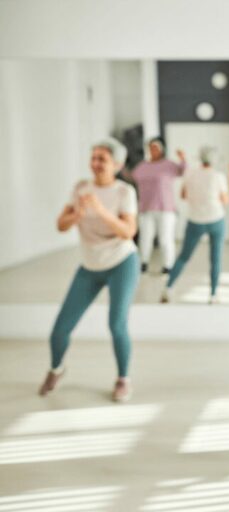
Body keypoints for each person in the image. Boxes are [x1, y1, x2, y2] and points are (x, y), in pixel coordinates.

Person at [39, 137, 140, 403]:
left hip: (122, 263)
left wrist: (100, 210)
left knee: (116, 325)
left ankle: (123, 379)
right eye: (93, 157)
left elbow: (128, 231)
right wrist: (78, 213)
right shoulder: (81, 188)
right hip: (90, 266)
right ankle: (56, 369)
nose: (95, 163)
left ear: (117, 165)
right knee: (60, 329)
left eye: (102, 159)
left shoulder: (124, 193)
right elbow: (61, 225)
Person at [161, 146, 229, 304]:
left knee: (184, 256)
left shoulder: (190, 173)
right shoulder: (218, 176)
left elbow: (183, 196)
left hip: (195, 220)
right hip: (216, 220)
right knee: (216, 259)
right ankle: (213, 295)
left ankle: (168, 288)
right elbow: (225, 200)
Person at [128, 137, 186, 274]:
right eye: (150, 147)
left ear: (161, 149)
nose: (152, 150)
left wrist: (183, 159)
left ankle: (168, 265)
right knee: (145, 238)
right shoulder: (143, 166)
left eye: (155, 147)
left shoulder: (168, 165)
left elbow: (182, 171)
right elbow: (131, 177)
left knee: (165, 239)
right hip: (146, 208)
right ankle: (143, 263)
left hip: (165, 208)